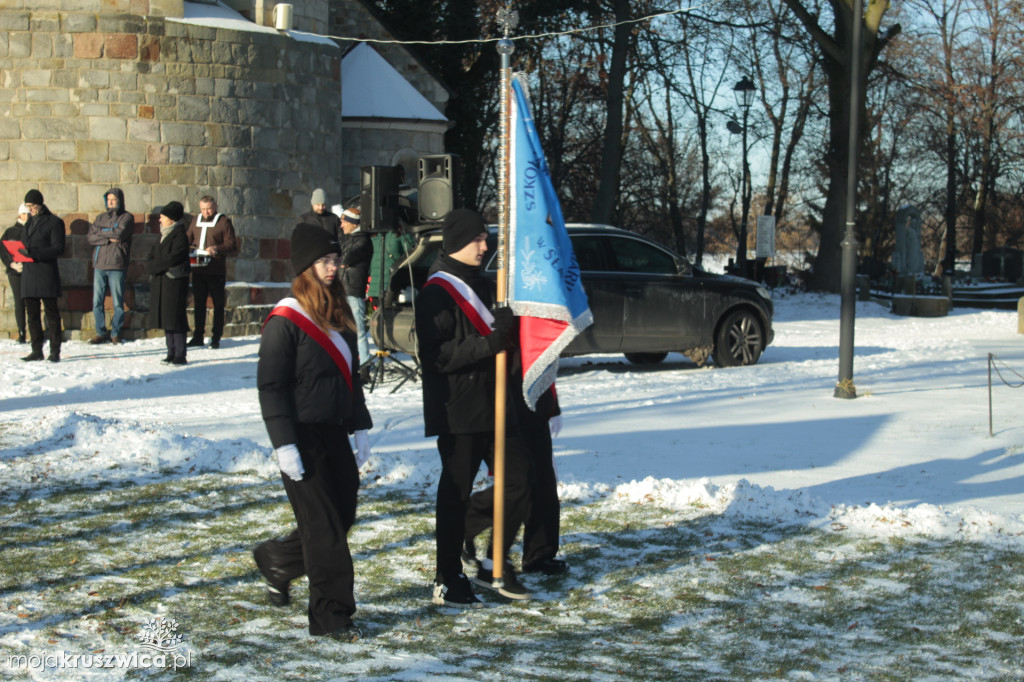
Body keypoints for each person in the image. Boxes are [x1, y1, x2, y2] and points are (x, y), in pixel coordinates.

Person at [252, 223, 373, 642]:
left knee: (342, 517)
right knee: (325, 532)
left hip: (334, 432)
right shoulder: (285, 319)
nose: (333, 266)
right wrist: (284, 444)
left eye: (336, 259)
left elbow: (350, 378)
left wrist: (359, 426)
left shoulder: (338, 312)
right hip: (301, 436)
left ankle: (277, 558)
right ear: (306, 266)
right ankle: (331, 617)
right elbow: (271, 386)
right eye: (325, 260)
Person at [415, 208, 532, 606]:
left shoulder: (487, 285)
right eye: (478, 239)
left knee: (520, 480)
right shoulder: (436, 292)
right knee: (455, 494)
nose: (486, 246)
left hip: (498, 402)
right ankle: (447, 577)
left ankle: (495, 561)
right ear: (457, 242)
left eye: (487, 238)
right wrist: (487, 344)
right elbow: (434, 356)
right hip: (459, 408)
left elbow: (502, 339)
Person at [18, 189, 65, 363]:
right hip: (29, 274)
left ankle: (55, 351)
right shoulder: (29, 222)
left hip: (46, 273)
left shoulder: (54, 222)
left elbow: (58, 248)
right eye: (27, 206)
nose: (29, 210)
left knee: (51, 314)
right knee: (32, 315)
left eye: (32, 206)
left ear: (40, 204)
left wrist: (34, 253)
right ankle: (36, 350)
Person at [186, 195, 237, 349]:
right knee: (199, 303)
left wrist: (216, 248)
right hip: (198, 269)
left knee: (218, 304)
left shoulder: (223, 222)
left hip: (216, 269)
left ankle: (216, 337)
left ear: (215, 206)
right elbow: (188, 238)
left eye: (209, 209)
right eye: (203, 209)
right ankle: (198, 335)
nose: (206, 212)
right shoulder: (195, 220)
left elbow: (232, 244)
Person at [87, 188, 134, 345]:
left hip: (117, 263)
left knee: (117, 302)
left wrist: (101, 232)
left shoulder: (127, 217)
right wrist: (107, 237)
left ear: (120, 200)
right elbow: (90, 237)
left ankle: (115, 333)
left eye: (114, 199)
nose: (111, 202)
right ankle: (100, 332)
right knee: (97, 301)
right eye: (109, 200)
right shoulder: (101, 217)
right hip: (99, 264)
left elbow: (120, 234)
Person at [147, 201, 191, 366]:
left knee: (176, 318)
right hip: (162, 281)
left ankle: (180, 354)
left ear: (172, 219)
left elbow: (174, 257)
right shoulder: (163, 235)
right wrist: (153, 266)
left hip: (174, 282)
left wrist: (155, 267)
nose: (160, 220)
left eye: (163, 217)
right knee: (167, 318)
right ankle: (171, 352)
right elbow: (151, 257)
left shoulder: (179, 235)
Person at [338, 207, 373, 369]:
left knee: (358, 331)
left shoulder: (363, 241)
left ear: (353, 223)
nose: (341, 226)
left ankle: (365, 364)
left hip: (353, 291)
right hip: (344, 290)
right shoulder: (351, 240)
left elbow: (346, 258)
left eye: (344, 222)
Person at [1, 204, 29, 343]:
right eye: (24, 214)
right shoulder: (11, 231)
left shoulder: (32, 229)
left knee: (31, 300)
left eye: (28, 214)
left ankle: (33, 332)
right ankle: (21, 331)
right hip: (15, 270)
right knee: (19, 301)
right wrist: (12, 263)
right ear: (20, 215)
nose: (26, 216)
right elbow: (3, 250)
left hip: (29, 269)